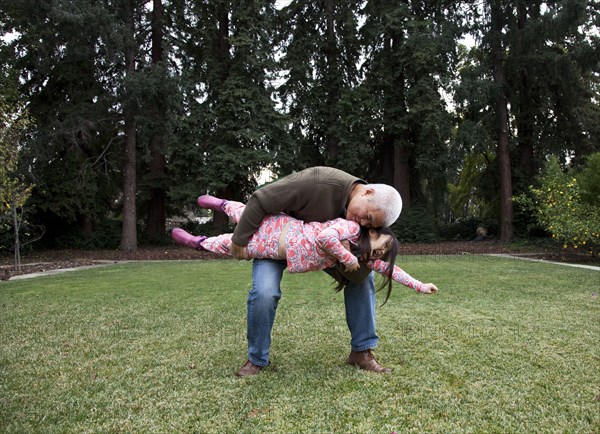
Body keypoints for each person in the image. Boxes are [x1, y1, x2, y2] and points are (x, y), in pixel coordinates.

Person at [196, 166, 408, 376]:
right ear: (367, 192)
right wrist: (240, 239)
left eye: (369, 224)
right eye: (367, 217)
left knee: (363, 281)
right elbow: (261, 198)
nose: (361, 223)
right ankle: (256, 359)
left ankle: (361, 352)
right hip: (276, 241)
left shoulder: (361, 220)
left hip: (319, 254)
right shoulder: (319, 181)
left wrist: (349, 260)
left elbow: (362, 266)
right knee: (264, 293)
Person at [172, 200, 438, 302]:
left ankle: (197, 241)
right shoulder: (351, 228)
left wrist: (419, 285)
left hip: (272, 250)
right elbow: (325, 236)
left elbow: (393, 272)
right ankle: (220, 203)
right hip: (281, 227)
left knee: (227, 245)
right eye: (385, 247)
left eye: (384, 256)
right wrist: (345, 257)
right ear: (374, 234)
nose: (381, 256)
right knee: (242, 213)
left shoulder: (362, 258)